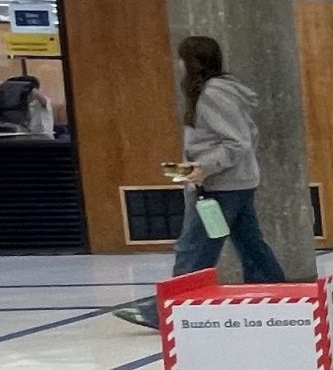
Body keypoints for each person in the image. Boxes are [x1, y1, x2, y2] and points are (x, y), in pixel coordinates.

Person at [115, 36, 290, 327]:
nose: (178, 65)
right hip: (236, 182)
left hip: (218, 186)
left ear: (191, 62)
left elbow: (237, 142)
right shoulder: (228, 91)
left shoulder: (212, 94)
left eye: (181, 59)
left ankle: (170, 309)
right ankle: (277, 295)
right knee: (249, 243)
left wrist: (205, 167)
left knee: (194, 247)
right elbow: (245, 138)